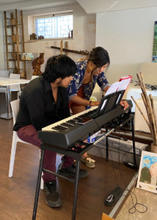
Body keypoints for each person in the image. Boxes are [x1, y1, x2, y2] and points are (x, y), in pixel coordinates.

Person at [13, 55, 88, 209]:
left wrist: (73, 129)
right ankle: (49, 182)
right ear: (59, 76)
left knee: (72, 132)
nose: (72, 80)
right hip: (27, 126)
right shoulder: (34, 90)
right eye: (70, 76)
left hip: (47, 123)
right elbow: (39, 124)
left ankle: (67, 166)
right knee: (50, 143)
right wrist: (61, 135)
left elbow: (64, 115)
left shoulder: (61, 89)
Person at [68, 46, 128, 168]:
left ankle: (81, 154)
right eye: (102, 67)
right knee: (81, 126)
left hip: (82, 98)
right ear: (94, 63)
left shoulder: (97, 71)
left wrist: (119, 98)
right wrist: (92, 103)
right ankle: (74, 157)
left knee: (87, 124)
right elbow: (71, 95)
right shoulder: (78, 68)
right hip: (71, 98)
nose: (102, 70)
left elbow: (106, 86)